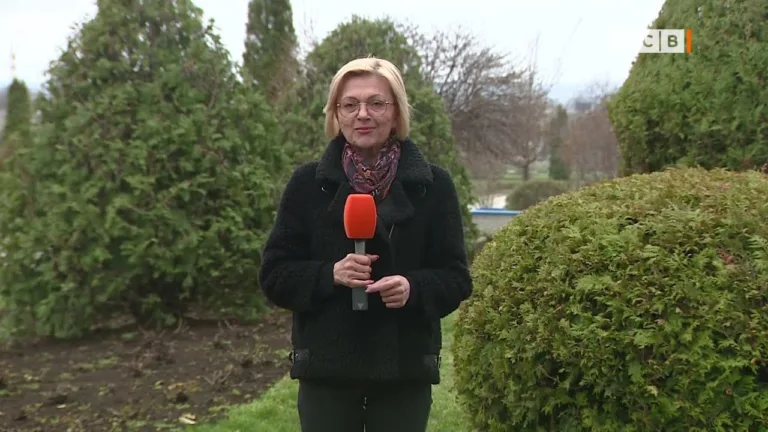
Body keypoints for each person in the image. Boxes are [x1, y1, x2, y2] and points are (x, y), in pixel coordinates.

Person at [259, 56, 473, 432]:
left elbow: (456, 278)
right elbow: (275, 275)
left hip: (403, 368)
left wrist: (413, 287)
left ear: (397, 112)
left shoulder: (434, 186)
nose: (363, 114)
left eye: (376, 103)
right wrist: (330, 274)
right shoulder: (307, 185)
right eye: (350, 104)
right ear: (336, 114)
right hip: (327, 369)